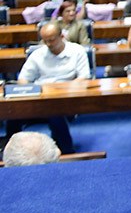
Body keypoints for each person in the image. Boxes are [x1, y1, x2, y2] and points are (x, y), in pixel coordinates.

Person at [7, 21, 92, 154]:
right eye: (45, 41)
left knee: (54, 109)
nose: (48, 44)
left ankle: (66, 151)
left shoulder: (77, 51)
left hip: (66, 98)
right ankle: (10, 151)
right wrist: (32, 91)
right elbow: (23, 79)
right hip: (39, 97)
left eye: (52, 40)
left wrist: (60, 90)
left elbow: (84, 78)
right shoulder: (38, 54)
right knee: (13, 111)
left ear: (62, 36)